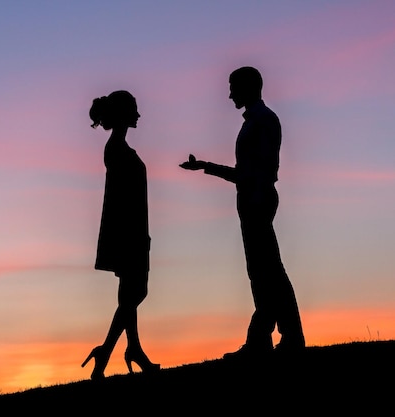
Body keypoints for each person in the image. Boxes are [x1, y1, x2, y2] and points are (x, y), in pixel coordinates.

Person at [180, 67, 305, 359]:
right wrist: (206, 166)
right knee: (263, 273)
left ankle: (273, 338)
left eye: (233, 87)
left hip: (257, 200)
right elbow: (245, 173)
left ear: (248, 87)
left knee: (269, 272)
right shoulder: (255, 120)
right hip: (251, 200)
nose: (229, 94)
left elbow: (263, 170)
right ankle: (276, 339)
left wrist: (258, 197)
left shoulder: (263, 120)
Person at [82, 90, 160, 379]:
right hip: (128, 233)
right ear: (124, 114)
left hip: (132, 231)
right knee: (136, 293)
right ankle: (109, 351)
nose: (139, 115)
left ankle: (133, 349)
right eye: (135, 110)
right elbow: (122, 198)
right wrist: (137, 236)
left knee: (130, 294)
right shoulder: (116, 148)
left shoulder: (118, 146)